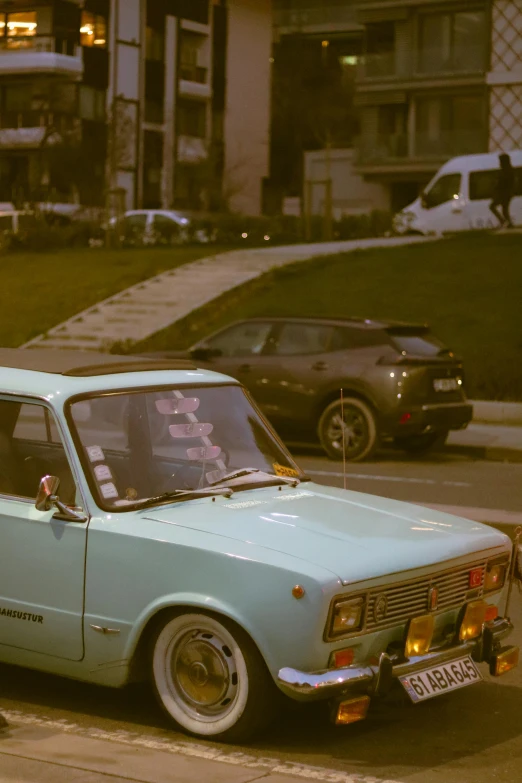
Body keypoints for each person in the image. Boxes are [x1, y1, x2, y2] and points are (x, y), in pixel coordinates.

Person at [489, 152, 515, 228]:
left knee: (493, 206)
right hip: (507, 193)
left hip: (504, 193)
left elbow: (502, 182)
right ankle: (508, 223)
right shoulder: (509, 170)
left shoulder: (506, 171)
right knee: (505, 210)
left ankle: (503, 221)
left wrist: (496, 184)